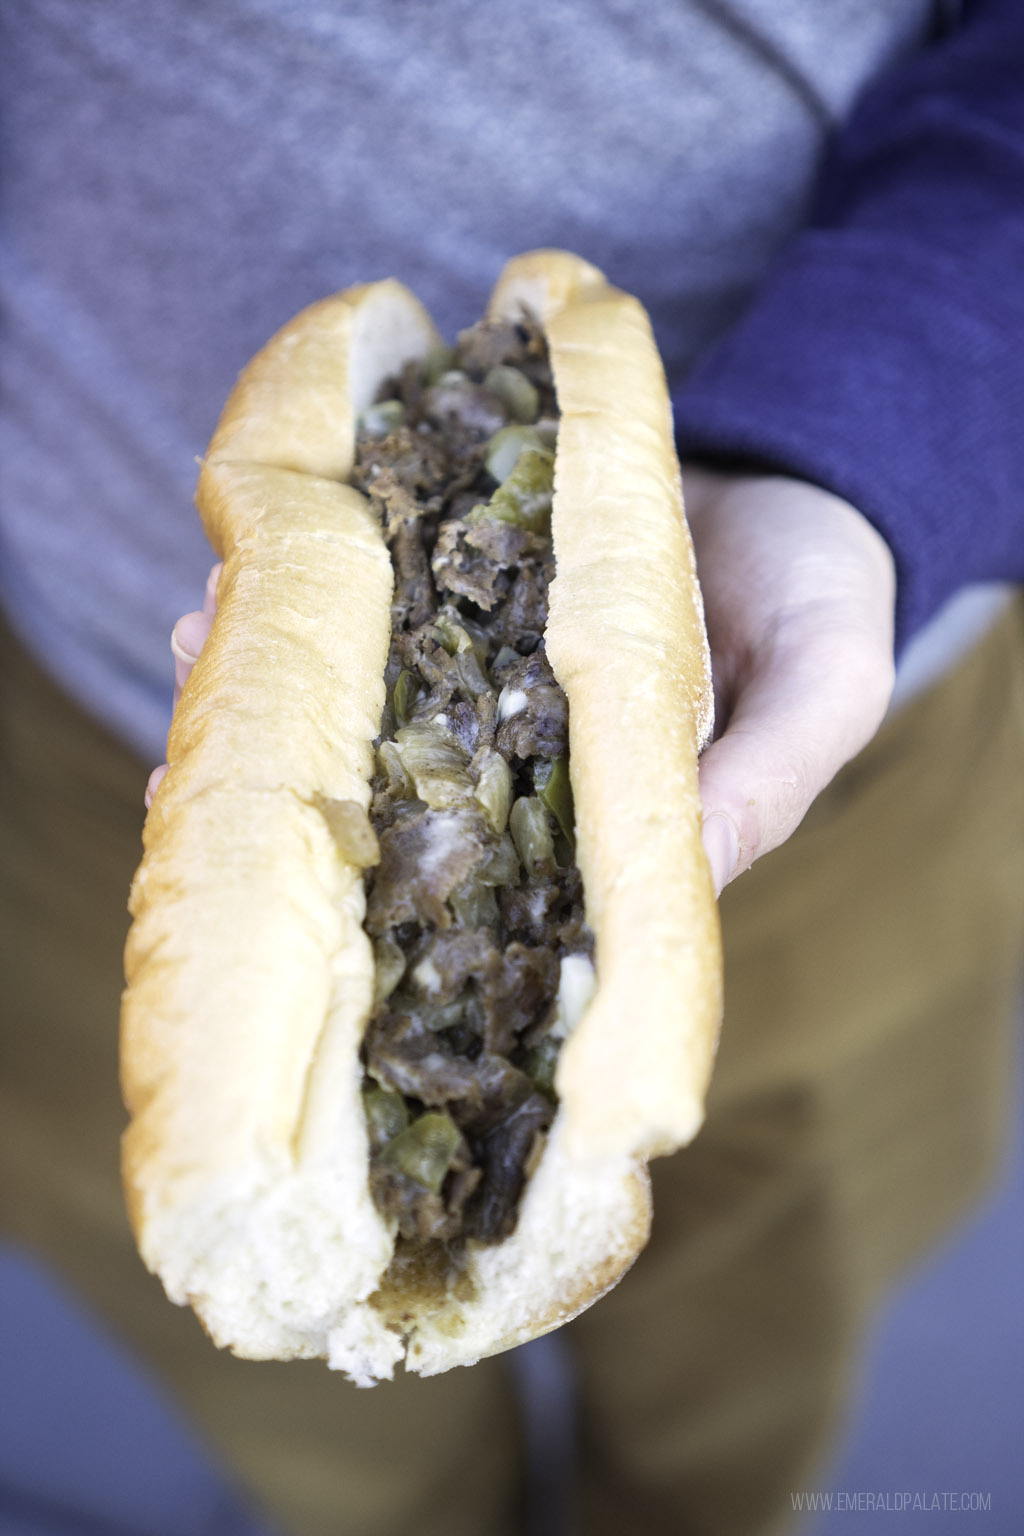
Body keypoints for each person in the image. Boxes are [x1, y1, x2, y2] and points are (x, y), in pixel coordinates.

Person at [2, 2, 1022, 1533]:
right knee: (310, 1425)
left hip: (830, 725)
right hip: (60, 744)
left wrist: (869, 440)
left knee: (759, 1343)